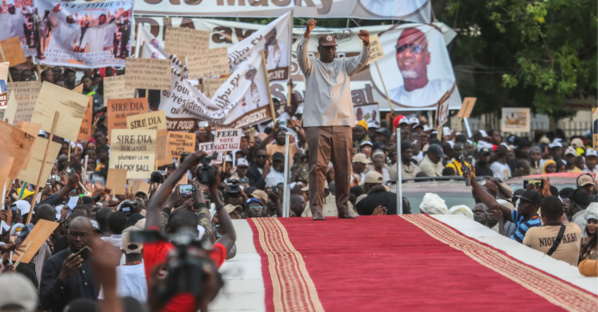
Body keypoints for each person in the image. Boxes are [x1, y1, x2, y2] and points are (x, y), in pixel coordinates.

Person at [143, 150, 235, 312]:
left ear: (168, 231)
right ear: (197, 233)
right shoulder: (204, 259)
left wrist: (184, 166)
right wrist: (212, 191)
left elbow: (153, 207)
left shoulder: (156, 249)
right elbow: (229, 235)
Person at [297, 18, 370, 220]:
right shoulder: (311, 67)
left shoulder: (344, 65)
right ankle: (317, 210)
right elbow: (301, 56)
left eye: (333, 48)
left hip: (343, 124)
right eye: (327, 48)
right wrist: (306, 34)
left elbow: (362, 61)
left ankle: (343, 208)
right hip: (317, 124)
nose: (331, 51)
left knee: (343, 167)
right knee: (317, 168)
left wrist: (365, 44)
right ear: (319, 49)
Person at [466, 168, 542, 243]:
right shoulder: (522, 217)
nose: (519, 204)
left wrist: (500, 220)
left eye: (524, 202)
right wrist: (472, 180)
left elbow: (507, 244)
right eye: (520, 201)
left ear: (534, 206)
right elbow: (494, 205)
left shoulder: (529, 225)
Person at [40, 216, 97, 312]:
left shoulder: (99, 263)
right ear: (67, 234)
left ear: (91, 235)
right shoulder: (54, 262)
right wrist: (63, 277)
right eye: (74, 234)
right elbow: (45, 302)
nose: (78, 239)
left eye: (83, 235)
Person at [388, 27, 454, 107]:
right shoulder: (389, 98)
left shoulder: (444, 90)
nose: (406, 54)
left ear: (428, 57)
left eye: (415, 48)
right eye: (401, 48)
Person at [523, 196, 582, 266]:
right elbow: (565, 221)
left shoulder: (532, 233)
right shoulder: (575, 229)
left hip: (546, 276)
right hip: (570, 276)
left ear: (542, 214)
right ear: (562, 212)